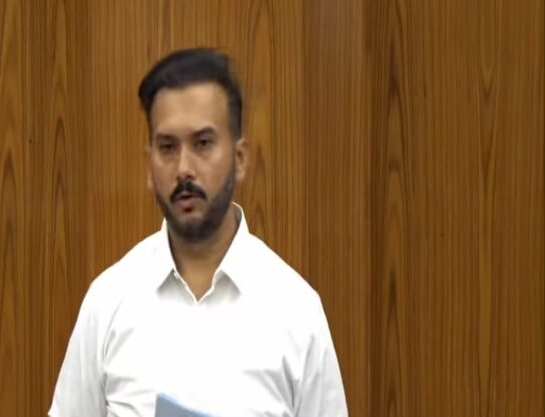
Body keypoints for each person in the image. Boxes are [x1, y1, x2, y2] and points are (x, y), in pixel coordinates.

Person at [49, 48, 348, 417]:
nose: (184, 169)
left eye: (203, 144)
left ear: (240, 159)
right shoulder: (108, 302)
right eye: (167, 147)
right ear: (149, 165)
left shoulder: (296, 311)